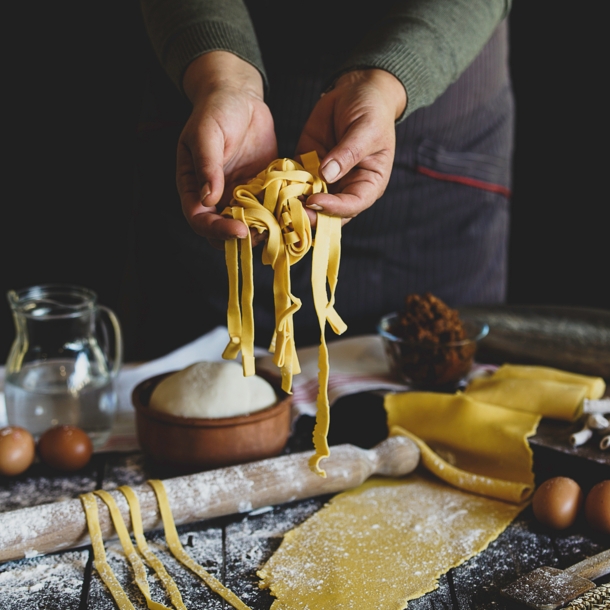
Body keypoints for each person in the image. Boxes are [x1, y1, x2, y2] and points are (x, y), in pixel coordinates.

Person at [133, 0, 513, 359]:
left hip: (428, 124)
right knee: (188, 396)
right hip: (213, 113)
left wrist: (386, 82)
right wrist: (222, 78)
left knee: (430, 395)